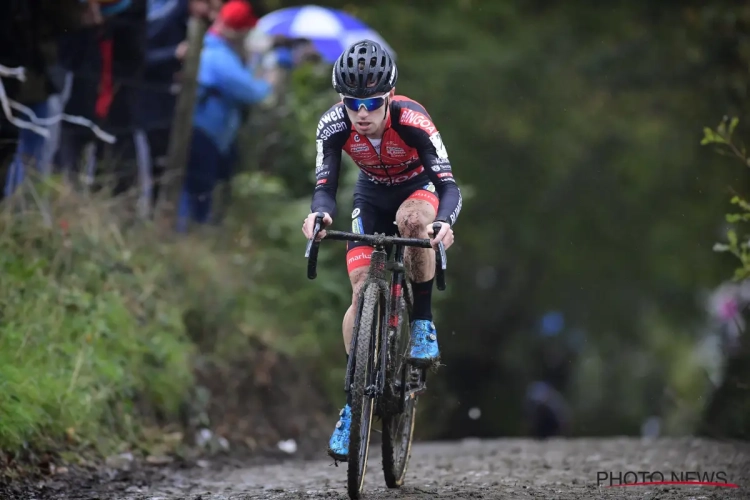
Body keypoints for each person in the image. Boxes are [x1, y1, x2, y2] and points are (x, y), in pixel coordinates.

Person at [300, 39, 463, 460]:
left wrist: (443, 223)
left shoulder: (413, 120)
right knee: (359, 292)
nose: (364, 113)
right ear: (342, 100)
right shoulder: (334, 125)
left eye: (372, 102)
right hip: (369, 197)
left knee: (414, 225)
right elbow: (325, 187)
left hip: (417, 189)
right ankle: (354, 405)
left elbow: (448, 185)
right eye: (354, 103)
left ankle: (423, 323)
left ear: (389, 95)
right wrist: (318, 217)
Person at [177, 0, 271, 230]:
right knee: (197, 192)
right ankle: (186, 240)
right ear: (238, 31)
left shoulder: (218, 51)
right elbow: (250, 92)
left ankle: (187, 238)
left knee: (198, 190)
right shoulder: (218, 56)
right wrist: (268, 78)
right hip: (204, 132)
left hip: (209, 133)